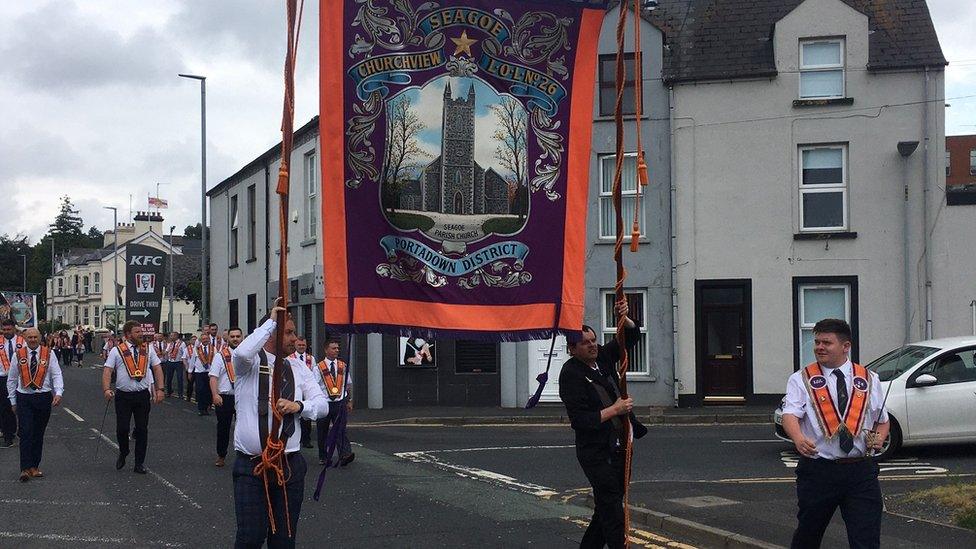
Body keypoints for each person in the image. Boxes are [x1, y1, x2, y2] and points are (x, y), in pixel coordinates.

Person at [782, 318, 888, 549]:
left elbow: (882, 419)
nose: (819, 347)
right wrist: (798, 438)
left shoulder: (869, 379)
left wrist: (879, 436)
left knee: (866, 540)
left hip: (861, 472)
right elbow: (789, 415)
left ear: (845, 346)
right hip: (819, 470)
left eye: (826, 343)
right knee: (808, 537)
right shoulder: (801, 379)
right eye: (817, 342)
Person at [231, 299, 328, 548]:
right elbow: (242, 352)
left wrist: (300, 406)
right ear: (271, 333)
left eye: (294, 332)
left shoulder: (299, 367)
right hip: (253, 466)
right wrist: (271, 321)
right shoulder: (249, 366)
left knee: (284, 540)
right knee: (250, 537)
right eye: (288, 332)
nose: (295, 338)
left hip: (289, 465)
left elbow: (322, 405)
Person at [559, 299, 647, 549]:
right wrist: (615, 409)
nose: (592, 346)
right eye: (585, 343)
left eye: (593, 340)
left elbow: (628, 339)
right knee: (612, 511)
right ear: (572, 349)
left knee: (607, 505)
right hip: (596, 452)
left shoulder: (603, 358)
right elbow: (581, 421)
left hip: (619, 448)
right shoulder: (571, 374)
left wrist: (625, 318)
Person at [102, 320, 165, 474]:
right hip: (124, 396)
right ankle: (124, 451)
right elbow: (108, 371)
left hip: (142, 395)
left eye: (141, 331)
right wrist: (106, 389)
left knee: (142, 429)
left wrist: (160, 389)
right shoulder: (117, 351)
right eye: (137, 332)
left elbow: (157, 368)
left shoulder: (148, 349)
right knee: (122, 428)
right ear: (128, 334)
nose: (141, 334)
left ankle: (139, 463)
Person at [7, 328, 63, 482]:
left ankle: (34, 466)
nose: (32, 339)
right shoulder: (18, 355)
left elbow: (56, 374)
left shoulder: (49, 353)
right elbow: (11, 379)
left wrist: (58, 393)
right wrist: (12, 401)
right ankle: (24, 468)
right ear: (25, 338)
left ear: (40, 338)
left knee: (38, 433)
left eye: (35, 337)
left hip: (43, 397)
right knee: (26, 432)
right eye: (29, 337)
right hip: (24, 397)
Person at [314, 338, 354, 466]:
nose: (337, 350)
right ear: (326, 350)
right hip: (324, 403)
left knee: (340, 429)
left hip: (340, 402)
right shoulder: (318, 368)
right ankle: (323, 456)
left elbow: (348, 385)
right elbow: (314, 386)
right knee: (323, 431)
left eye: (337, 348)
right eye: (333, 348)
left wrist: (349, 400)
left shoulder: (343, 365)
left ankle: (344, 455)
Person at [210, 327, 243, 467]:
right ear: (228, 338)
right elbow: (213, 377)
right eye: (232, 336)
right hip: (225, 397)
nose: (235, 339)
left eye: (238, 336)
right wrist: (215, 394)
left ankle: (244, 456)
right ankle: (221, 455)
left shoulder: (247, 355)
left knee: (244, 427)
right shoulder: (220, 356)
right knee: (223, 428)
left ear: (242, 338)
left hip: (243, 397)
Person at [0, 320, 25, 448]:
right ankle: (7, 435)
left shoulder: (22, 341)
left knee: (21, 406)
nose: (6, 332)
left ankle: (21, 431)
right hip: (3, 378)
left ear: (14, 329)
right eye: (4, 330)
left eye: (9, 329)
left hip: (21, 378)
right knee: (5, 408)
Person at [289, 336, 315, 449]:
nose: (301, 347)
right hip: (294, 387)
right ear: (295, 345)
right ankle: (294, 438)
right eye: (299, 345)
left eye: (303, 345)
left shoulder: (311, 359)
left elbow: (313, 373)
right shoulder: (290, 357)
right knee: (294, 415)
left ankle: (306, 439)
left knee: (306, 415)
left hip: (306, 389)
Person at [191, 330, 215, 415]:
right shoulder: (197, 349)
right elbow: (192, 360)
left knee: (208, 390)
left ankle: (208, 406)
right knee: (200, 390)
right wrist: (190, 371)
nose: (205, 340)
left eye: (206, 338)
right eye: (203, 339)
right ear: (201, 340)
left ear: (209, 339)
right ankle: (201, 409)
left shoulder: (213, 348)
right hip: (199, 372)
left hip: (209, 372)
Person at [162, 331, 187, 398]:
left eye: (172, 336)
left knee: (179, 378)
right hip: (170, 362)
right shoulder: (170, 344)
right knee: (169, 378)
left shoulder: (182, 343)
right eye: (170, 336)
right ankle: (169, 392)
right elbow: (166, 351)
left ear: (176, 336)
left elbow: (184, 353)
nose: (171, 337)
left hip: (178, 362)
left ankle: (180, 394)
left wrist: (184, 362)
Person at [185, 334, 198, 402]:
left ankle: (197, 397)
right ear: (190, 341)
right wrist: (187, 367)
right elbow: (184, 358)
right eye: (193, 339)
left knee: (198, 384)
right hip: (190, 368)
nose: (194, 341)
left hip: (198, 369)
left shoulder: (199, 348)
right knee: (190, 383)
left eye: (196, 339)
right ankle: (188, 396)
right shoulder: (187, 348)